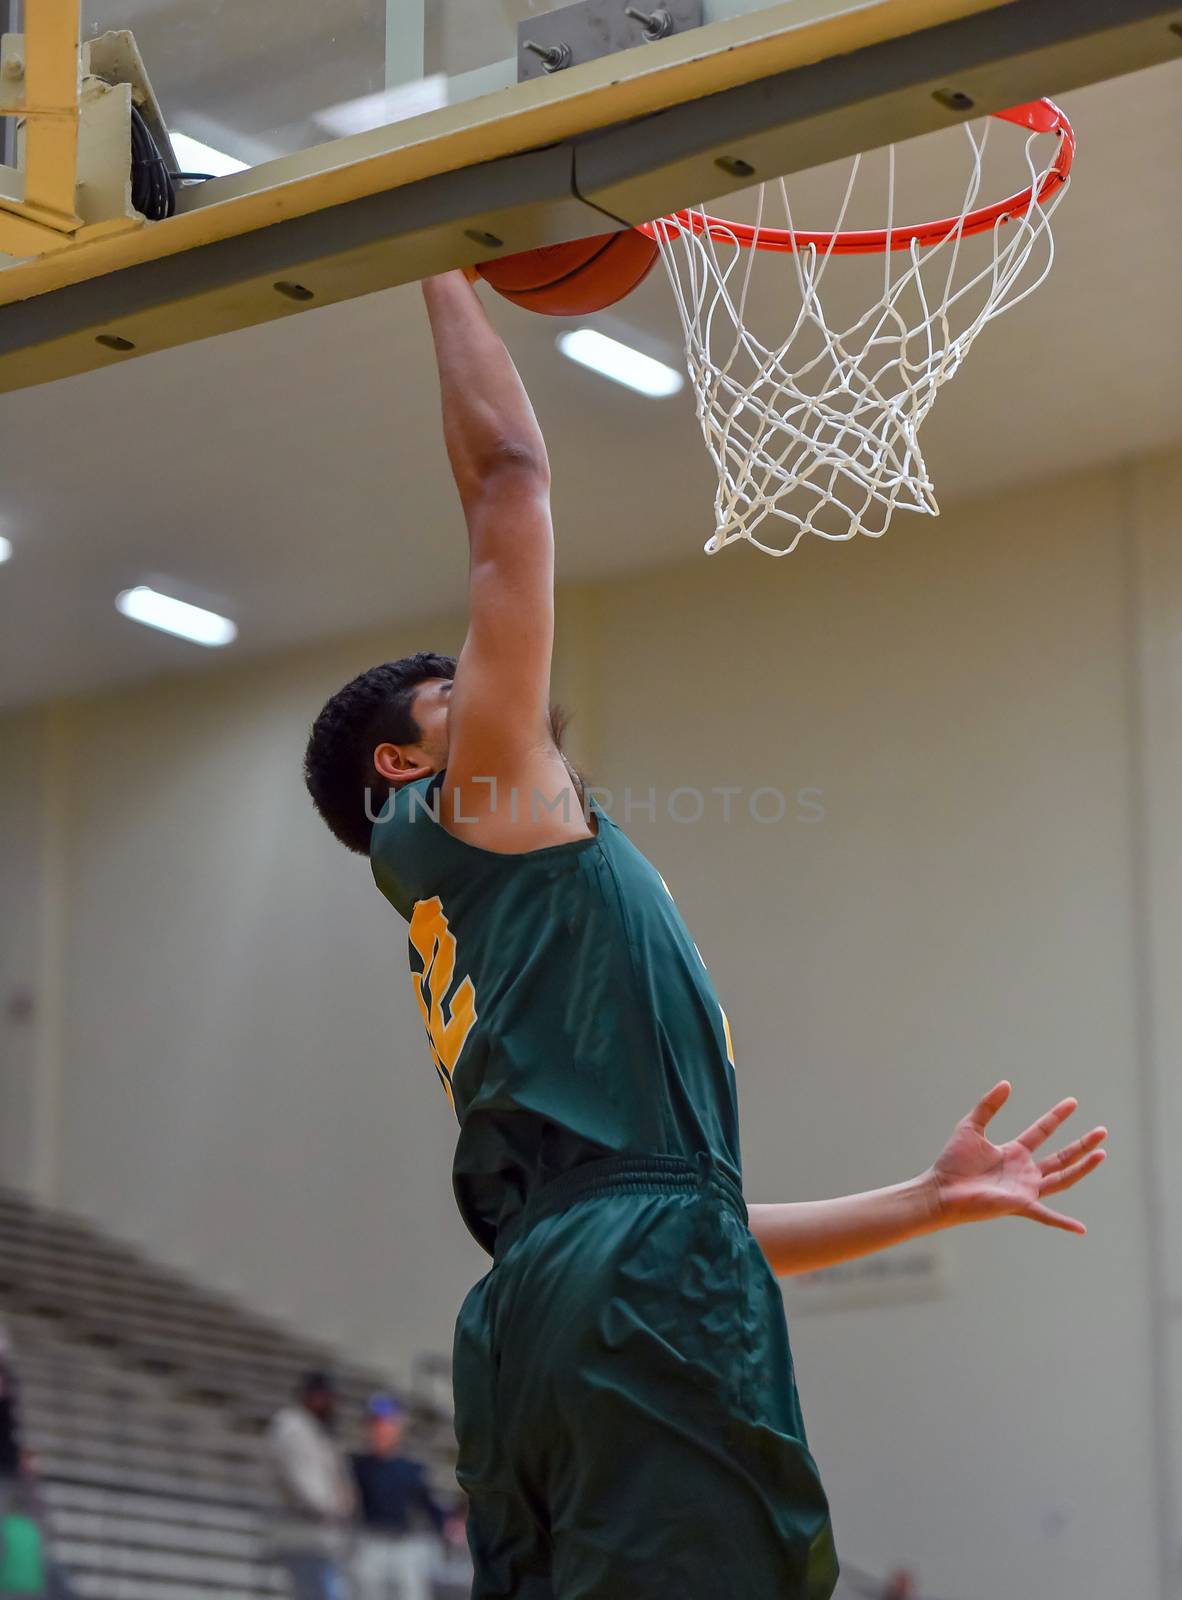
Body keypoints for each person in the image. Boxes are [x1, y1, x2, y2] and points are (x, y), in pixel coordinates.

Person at [303, 271, 1109, 1599]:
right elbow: (508, 482)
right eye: (458, 688)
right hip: (618, 1297)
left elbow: (678, 1213)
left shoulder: (472, 915)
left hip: (533, 1307)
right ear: (403, 758)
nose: (501, 687)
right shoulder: (481, 804)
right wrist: (441, 258)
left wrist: (921, 1200)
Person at [350, 1394, 462, 1600]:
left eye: (386, 1424)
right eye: (375, 1424)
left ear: (397, 1427)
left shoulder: (413, 1469)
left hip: (405, 1545)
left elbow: (430, 1504)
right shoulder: (358, 1466)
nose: (381, 1430)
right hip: (371, 1541)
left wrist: (447, 1525)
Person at [267, 1371, 354, 1600]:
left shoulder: (319, 1431)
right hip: (303, 1533)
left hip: (320, 1537)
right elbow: (303, 1482)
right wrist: (332, 1506)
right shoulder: (292, 1426)